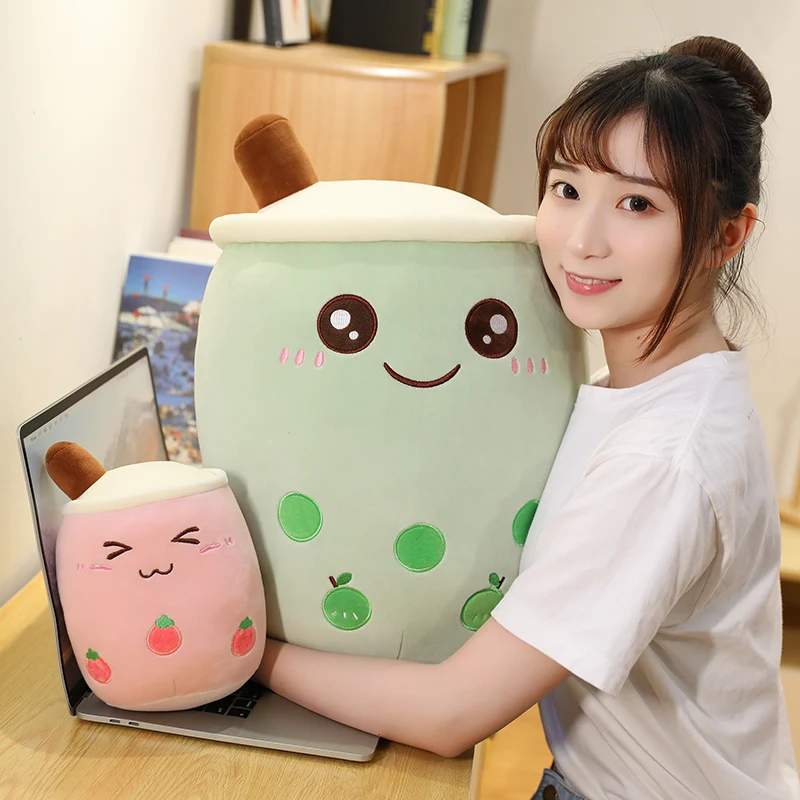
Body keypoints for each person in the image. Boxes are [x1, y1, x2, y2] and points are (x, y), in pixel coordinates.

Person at [255, 35, 800, 799]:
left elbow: (452, 714)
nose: (582, 240)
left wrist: (247, 651)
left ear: (725, 235)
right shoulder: (649, 388)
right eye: (567, 188)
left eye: (637, 204)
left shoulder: (663, 460)